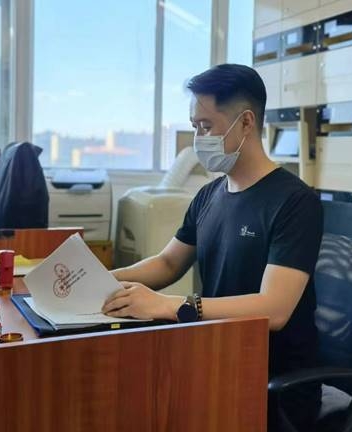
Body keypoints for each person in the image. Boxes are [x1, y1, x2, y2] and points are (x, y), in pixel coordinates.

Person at [103, 63, 323, 431]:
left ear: (246, 122)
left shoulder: (295, 202)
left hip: (272, 381)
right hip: (216, 354)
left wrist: (170, 305)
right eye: (195, 127)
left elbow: (275, 309)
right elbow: (169, 263)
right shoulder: (209, 195)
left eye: (206, 127)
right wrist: (103, 278)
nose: (198, 139)